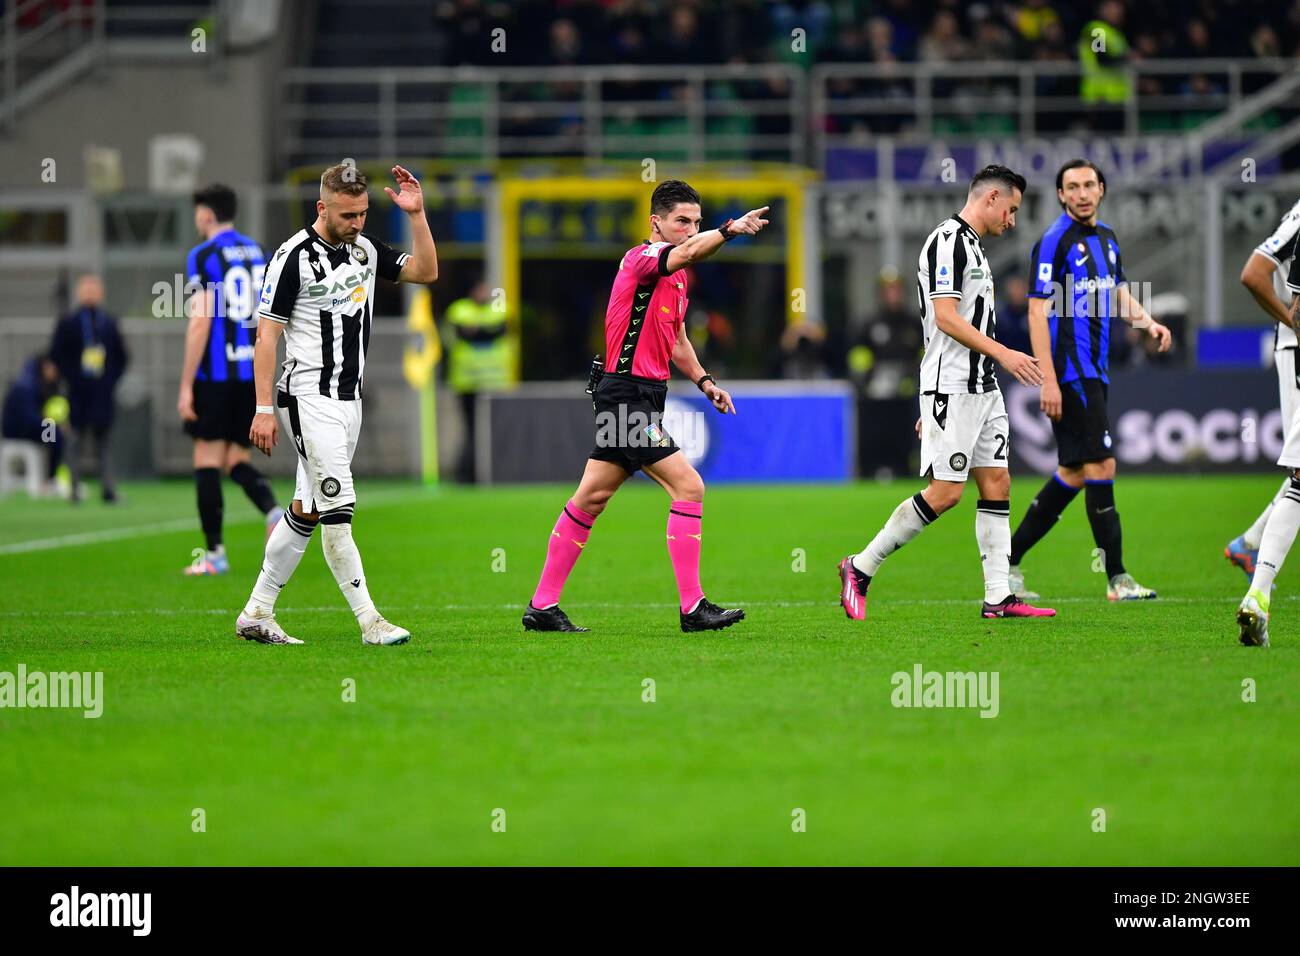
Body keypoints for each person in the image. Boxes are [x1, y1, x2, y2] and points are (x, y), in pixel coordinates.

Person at [520, 180, 766, 633]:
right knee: (689, 486)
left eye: (696, 221)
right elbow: (690, 253)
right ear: (656, 223)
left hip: (644, 396)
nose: (690, 229)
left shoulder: (676, 277)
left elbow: (676, 340)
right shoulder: (642, 260)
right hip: (625, 397)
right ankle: (693, 607)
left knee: (591, 498)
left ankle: (542, 606)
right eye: (682, 221)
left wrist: (706, 382)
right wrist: (730, 230)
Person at [839, 165, 1055, 621]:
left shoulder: (974, 246)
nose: (1012, 221)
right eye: (1011, 210)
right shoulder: (947, 240)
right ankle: (860, 567)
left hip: (983, 389)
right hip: (953, 386)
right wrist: (1006, 354)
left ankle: (998, 596)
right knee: (946, 492)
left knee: (997, 482)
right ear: (991, 197)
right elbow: (945, 318)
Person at [236, 163, 438, 646]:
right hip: (307, 397)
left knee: (307, 509)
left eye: (364, 214)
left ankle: (256, 613)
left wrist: (416, 215)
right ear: (321, 208)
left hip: (349, 402)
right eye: (348, 215)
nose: (357, 224)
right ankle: (371, 622)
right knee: (338, 508)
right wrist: (263, 408)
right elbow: (267, 336)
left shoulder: (364, 249)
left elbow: (426, 272)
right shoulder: (292, 257)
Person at [1007, 159, 1172, 602]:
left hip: (1095, 369)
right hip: (1069, 373)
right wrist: (1047, 379)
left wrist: (1148, 322)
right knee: (1101, 466)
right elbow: (1037, 311)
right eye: (1072, 187)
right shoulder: (1053, 242)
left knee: (1074, 473)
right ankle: (1117, 578)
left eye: (1088, 185)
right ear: (1061, 195)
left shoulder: (1108, 239)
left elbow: (1117, 292)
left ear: (1101, 189)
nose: (1081, 193)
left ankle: (1007, 560)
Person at [179, 184, 283, 576]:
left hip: (217, 374)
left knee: (206, 458)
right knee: (236, 459)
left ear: (206, 215)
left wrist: (186, 384)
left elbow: (200, 322)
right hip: (251, 372)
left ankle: (215, 554)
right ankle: (273, 512)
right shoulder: (259, 252)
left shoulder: (203, 254)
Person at [1225, 196, 1300, 581]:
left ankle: (1251, 542)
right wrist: (1293, 322)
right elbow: (1254, 273)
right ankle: (1251, 546)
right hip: (1294, 350)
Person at [49, 274, 128, 504]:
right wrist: (72, 377)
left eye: (95, 289)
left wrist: (110, 379)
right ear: (78, 293)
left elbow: (121, 356)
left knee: (105, 442)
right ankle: (73, 488)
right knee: (74, 440)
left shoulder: (109, 323)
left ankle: (108, 489)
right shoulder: (69, 323)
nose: (91, 294)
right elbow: (57, 354)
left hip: (102, 392)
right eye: (87, 289)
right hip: (78, 391)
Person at [444, 276, 513, 483]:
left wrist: (477, 331)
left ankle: (492, 474)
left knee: (493, 433)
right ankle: (467, 475)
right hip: (468, 384)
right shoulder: (460, 309)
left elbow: (500, 330)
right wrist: (486, 331)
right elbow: (465, 335)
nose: (484, 293)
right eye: (480, 288)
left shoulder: (499, 308)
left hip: (496, 385)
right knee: (472, 432)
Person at [1, 353, 64, 491]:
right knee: (56, 437)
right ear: (46, 367)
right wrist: (51, 424)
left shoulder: (40, 384)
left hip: (26, 429)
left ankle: (50, 479)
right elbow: (29, 418)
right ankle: (50, 481)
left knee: (55, 436)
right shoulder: (28, 385)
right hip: (18, 432)